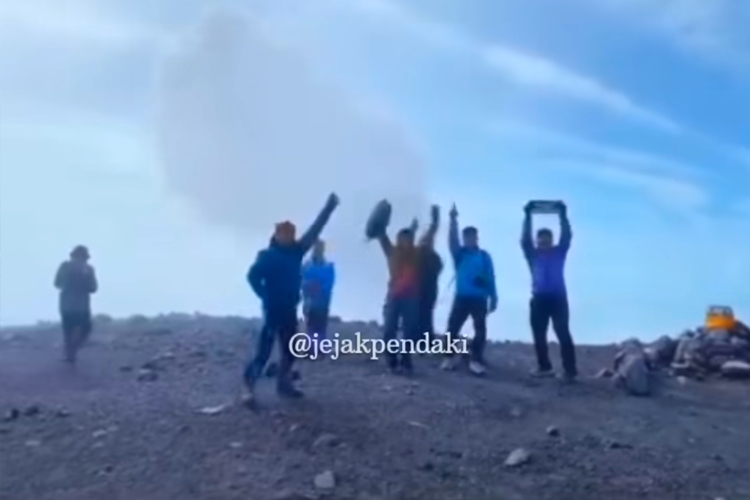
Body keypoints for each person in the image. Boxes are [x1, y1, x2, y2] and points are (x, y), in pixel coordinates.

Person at [243, 193, 340, 404]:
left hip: (289, 310)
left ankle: (284, 385)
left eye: (290, 233)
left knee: (290, 349)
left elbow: (315, 230)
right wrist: (264, 296)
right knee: (264, 351)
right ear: (276, 235)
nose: (287, 236)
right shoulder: (267, 256)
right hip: (272, 310)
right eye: (284, 232)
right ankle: (249, 389)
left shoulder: (296, 252)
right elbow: (252, 276)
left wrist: (329, 209)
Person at [376, 206, 438, 375]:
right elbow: (381, 234)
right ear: (398, 240)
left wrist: (433, 223)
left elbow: (428, 238)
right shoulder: (392, 251)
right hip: (394, 297)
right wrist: (381, 218)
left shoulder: (417, 254)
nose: (405, 241)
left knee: (409, 331)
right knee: (389, 329)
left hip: (411, 298)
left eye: (408, 238)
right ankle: (391, 361)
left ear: (411, 240)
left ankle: (406, 360)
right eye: (402, 239)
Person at [521, 201, 577, 382]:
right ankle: (544, 367)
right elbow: (525, 240)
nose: (544, 243)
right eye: (541, 241)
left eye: (547, 240)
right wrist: (528, 216)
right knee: (539, 333)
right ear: (538, 242)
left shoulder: (558, 252)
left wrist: (563, 215)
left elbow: (567, 236)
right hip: (539, 298)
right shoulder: (533, 254)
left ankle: (570, 371)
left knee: (562, 331)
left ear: (551, 241)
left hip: (558, 298)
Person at [441, 204, 497, 376]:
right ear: (464, 239)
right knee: (453, 327)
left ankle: (476, 359)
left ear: (476, 238)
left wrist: (494, 296)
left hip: (479, 298)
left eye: (473, 237)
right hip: (462, 297)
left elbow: (491, 276)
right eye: (467, 238)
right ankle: (449, 357)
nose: (470, 240)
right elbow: (452, 240)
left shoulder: (484, 256)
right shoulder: (460, 255)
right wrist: (453, 219)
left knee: (480, 329)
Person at [54, 245, 98, 364]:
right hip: (81, 305)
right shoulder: (88, 269)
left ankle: (70, 353)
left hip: (67, 303)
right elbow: (93, 288)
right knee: (84, 329)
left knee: (69, 330)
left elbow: (57, 283)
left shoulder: (65, 266)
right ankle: (71, 352)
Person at [415, 207, 443, 347]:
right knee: (424, 315)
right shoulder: (429, 256)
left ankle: (424, 341)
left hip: (426, 289)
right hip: (424, 289)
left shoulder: (428, 256)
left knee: (424, 314)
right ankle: (424, 341)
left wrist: (435, 222)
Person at [302, 240, 336, 343]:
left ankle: (319, 349)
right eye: (316, 248)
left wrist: (320, 288)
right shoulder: (307, 266)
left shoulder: (328, 267)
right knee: (310, 325)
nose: (318, 250)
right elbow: (301, 280)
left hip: (322, 302)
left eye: (320, 248)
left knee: (320, 325)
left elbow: (330, 282)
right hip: (310, 301)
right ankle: (311, 348)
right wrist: (309, 286)